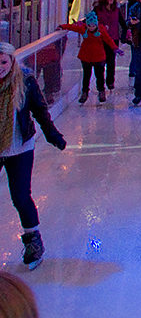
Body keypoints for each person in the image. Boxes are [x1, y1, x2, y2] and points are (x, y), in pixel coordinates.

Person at [0, 43, 67, 270]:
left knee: (20, 196)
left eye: (3, 62)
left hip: (20, 147)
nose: (0, 67)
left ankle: (33, 241)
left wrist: (53, 135)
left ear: (11, 61)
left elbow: (40, 110)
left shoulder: (25, 81)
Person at [58, 11, 116, 104]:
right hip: (86, 57)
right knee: (86, 75)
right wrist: (63, 26)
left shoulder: (101, 30)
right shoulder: (83, 29)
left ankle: (101, 91)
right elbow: (73, 27)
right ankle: (85, 92)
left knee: (99, 75)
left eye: (93, 26)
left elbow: (108, 39)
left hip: (99, 57)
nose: (91, 28)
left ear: (96, 24)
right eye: (89, 26)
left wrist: (115, 48)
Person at [92, 0, 125, 92]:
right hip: (100, 40)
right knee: (100, 63)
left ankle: (110, 82)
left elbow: (122, 23)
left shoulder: (116, 10)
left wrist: (125, 33)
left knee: (111, 62)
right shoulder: (97, 9)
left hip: (113, 39)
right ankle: (100, 84)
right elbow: (90, 21)